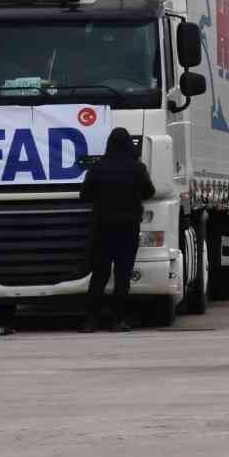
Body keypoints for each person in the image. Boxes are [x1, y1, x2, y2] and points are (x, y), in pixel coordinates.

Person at [78, 127, 154, 332]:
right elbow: (150, 191)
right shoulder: (137, 168)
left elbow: (84, 195)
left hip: (102, 228)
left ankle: (90, 321)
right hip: (128, 228)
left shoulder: (98, 168)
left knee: (100, 274)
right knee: (122, 275)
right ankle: (118, 320)